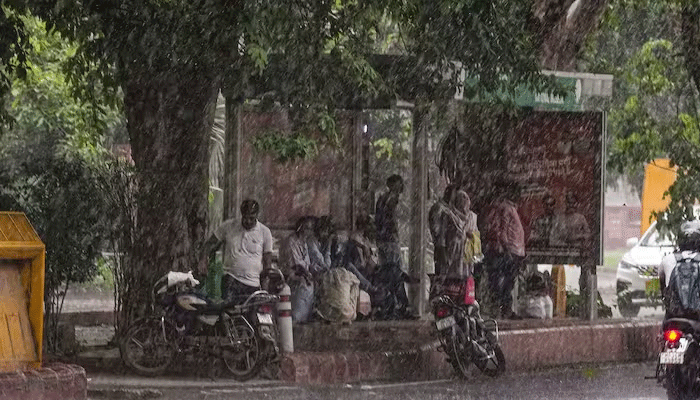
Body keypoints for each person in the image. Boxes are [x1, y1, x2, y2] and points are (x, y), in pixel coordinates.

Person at [203, 199, 273, 302]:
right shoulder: (229, 226)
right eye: (245, 218)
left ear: (257, 215)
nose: (248, 221)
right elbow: (210, 243)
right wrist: (203, 260)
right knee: (229, 310)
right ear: (241, 214)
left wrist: (265, 287)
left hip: (253, 283)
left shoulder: (265, 232)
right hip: (231, 280)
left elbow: (267, 262)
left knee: (251, 311)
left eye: (251, 218)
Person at [483, 180, 525, 319]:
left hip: (513, 250)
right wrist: (507, 249)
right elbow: (503, 230)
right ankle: (503, 309)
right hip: (510, 250)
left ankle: (503, 308)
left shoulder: (509, 208)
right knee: (505, 282)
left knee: (507, 282)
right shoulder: (506, 208)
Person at [279, 216, 317, 324]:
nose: (308, 231)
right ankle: (297, 319)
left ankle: (304, 318)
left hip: (302, 274)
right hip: (290, 275)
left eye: (310, 229)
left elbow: (307, 263)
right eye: (306, 228)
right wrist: (307, 274)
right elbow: (296, 265)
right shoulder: (291, 242)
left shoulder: (303, 242)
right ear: (300, 228)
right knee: (305, 285)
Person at [659, 220, 700, 320]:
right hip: (697, 315)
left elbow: (662, 283)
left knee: (664, 327)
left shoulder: (667, 259)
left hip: (673, 315)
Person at [375, 174, 404, 269]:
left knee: (388, 265)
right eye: (398, 185)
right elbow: (389, 218)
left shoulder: (384, 199)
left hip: (385, 238)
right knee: (393, 265)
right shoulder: (389, 199)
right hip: (389, 238)